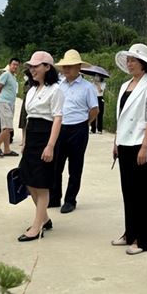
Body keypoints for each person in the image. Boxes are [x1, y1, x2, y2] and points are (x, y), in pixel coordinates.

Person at [112, 44, 147, 255]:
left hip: (139, 144)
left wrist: (145, 146)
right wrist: (116, 141)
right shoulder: (125, 85)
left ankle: (142, 240)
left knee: (141, 194)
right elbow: (121, 117)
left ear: (143, 64)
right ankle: (130, 232)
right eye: (128, 60)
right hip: (124, 143)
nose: (129, 63)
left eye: (133, 60)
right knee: (128, 191)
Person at [17, 51, 64, 242]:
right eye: (31, 66)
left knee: (41, 184)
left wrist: (50, 145)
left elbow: (57, 118)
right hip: (32, 137)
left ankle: (37, 227)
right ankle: (44, 218)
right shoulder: (32, 90)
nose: (32, 69)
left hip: (46, 136)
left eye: (36, 66)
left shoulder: (56, 90)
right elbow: (28, 118)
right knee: (28, 179)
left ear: (47, 67)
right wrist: (25, 141)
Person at [50, 49, 98, 213]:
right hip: (60, 127)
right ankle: (54, 197)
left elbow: (94, 110)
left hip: (78, 128)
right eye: (65, 66)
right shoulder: (59, 85)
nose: (66, 69)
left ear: (79, 67)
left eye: (70, 66)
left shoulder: (87, 87)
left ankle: (70, 200)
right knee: (56, 165)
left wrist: (85, 123)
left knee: (75, 167)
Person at [0, 58, 21, 157]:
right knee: (7, 127)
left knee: (7, 128)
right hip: (3, 102)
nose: (15, 66)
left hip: (10, 103)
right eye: (14, 64)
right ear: (9, 65)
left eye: (17, 65)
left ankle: (7, 149)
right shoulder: (6, 74)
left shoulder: (14, 77)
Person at [17, 70, 32, 146]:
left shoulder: (32, 83)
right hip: (25, 102)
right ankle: (23, 139)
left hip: (29, 103)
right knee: (23, 122)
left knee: (26, 122)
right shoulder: (27, 83)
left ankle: (25, 140)